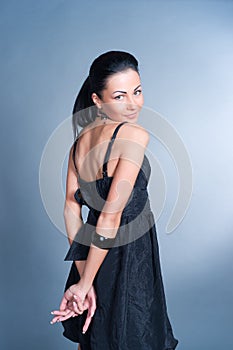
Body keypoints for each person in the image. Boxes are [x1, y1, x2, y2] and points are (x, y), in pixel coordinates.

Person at [50, 51, 179, 350]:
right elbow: (110, 217)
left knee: (95, 338)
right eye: (120, 96)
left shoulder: (79, 142)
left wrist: (85, 278)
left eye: (137, 91)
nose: (133, 104)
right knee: (133, 336)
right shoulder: (133, 135)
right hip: (126, 256)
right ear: (97, 100)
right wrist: (84, 285)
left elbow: (71, 209)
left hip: (89, 256)